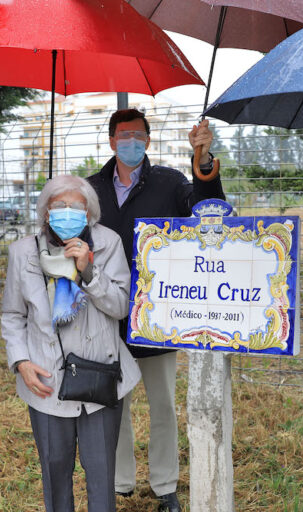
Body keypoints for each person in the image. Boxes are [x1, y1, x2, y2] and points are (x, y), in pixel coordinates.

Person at [87, 108, 225, 512]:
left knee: (162, 401)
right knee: (115, 401)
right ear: (111, 141)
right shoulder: (92, 188)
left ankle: (165, 485)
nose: (132, 142)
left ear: (148, 140)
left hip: (161, 314)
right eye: (124, 135)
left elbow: (208, 211)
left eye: (140, 135)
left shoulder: (169, 182)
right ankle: (121, 481)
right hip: (108, 311)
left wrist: (202, 161)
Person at [1, 175, 141, 512]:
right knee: (54, 469)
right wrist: (21, 362)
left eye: (75, 206)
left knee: (101, 473)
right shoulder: (24, 252)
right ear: (45, 212)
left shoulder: (107, 243)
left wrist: (90, 272)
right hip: (46, 378)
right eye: (58, 205)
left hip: (100, 376)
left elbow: (121, 306)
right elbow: (12, 315)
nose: (67, 212)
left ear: (90, 212)